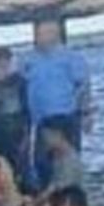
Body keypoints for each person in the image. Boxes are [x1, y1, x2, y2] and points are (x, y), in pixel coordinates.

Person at [24, 19, 91, 186]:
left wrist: (86, 114)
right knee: (41, 163)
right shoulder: (28, 60)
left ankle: (71, 195)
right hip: (42, 121)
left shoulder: (71, 57)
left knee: (68, 161)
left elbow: (83, 85)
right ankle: (49, 198)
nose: (38, 38)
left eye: (43, 34)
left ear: (55, 35)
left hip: (67, 117)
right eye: (37, 34)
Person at [0, 46, 32, 189]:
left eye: (2, 59)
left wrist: (27, 135)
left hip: (16, 133)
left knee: (20, 171)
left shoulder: (19, 81)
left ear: (9, 60)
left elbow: (27, 110)